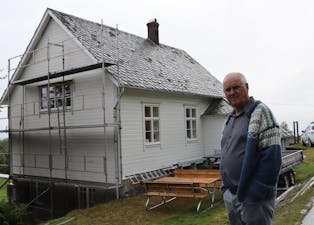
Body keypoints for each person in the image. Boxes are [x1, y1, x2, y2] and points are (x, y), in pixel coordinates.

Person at [220, 72, 282, 225]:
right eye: (228, 90)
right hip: (231, 195)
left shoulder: (261, 113)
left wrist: (254, 193)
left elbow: (272, 160)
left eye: (236, 87)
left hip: (253, 199)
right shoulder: (230, 117)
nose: (232, 92)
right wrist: (225, 188)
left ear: (246, 87)